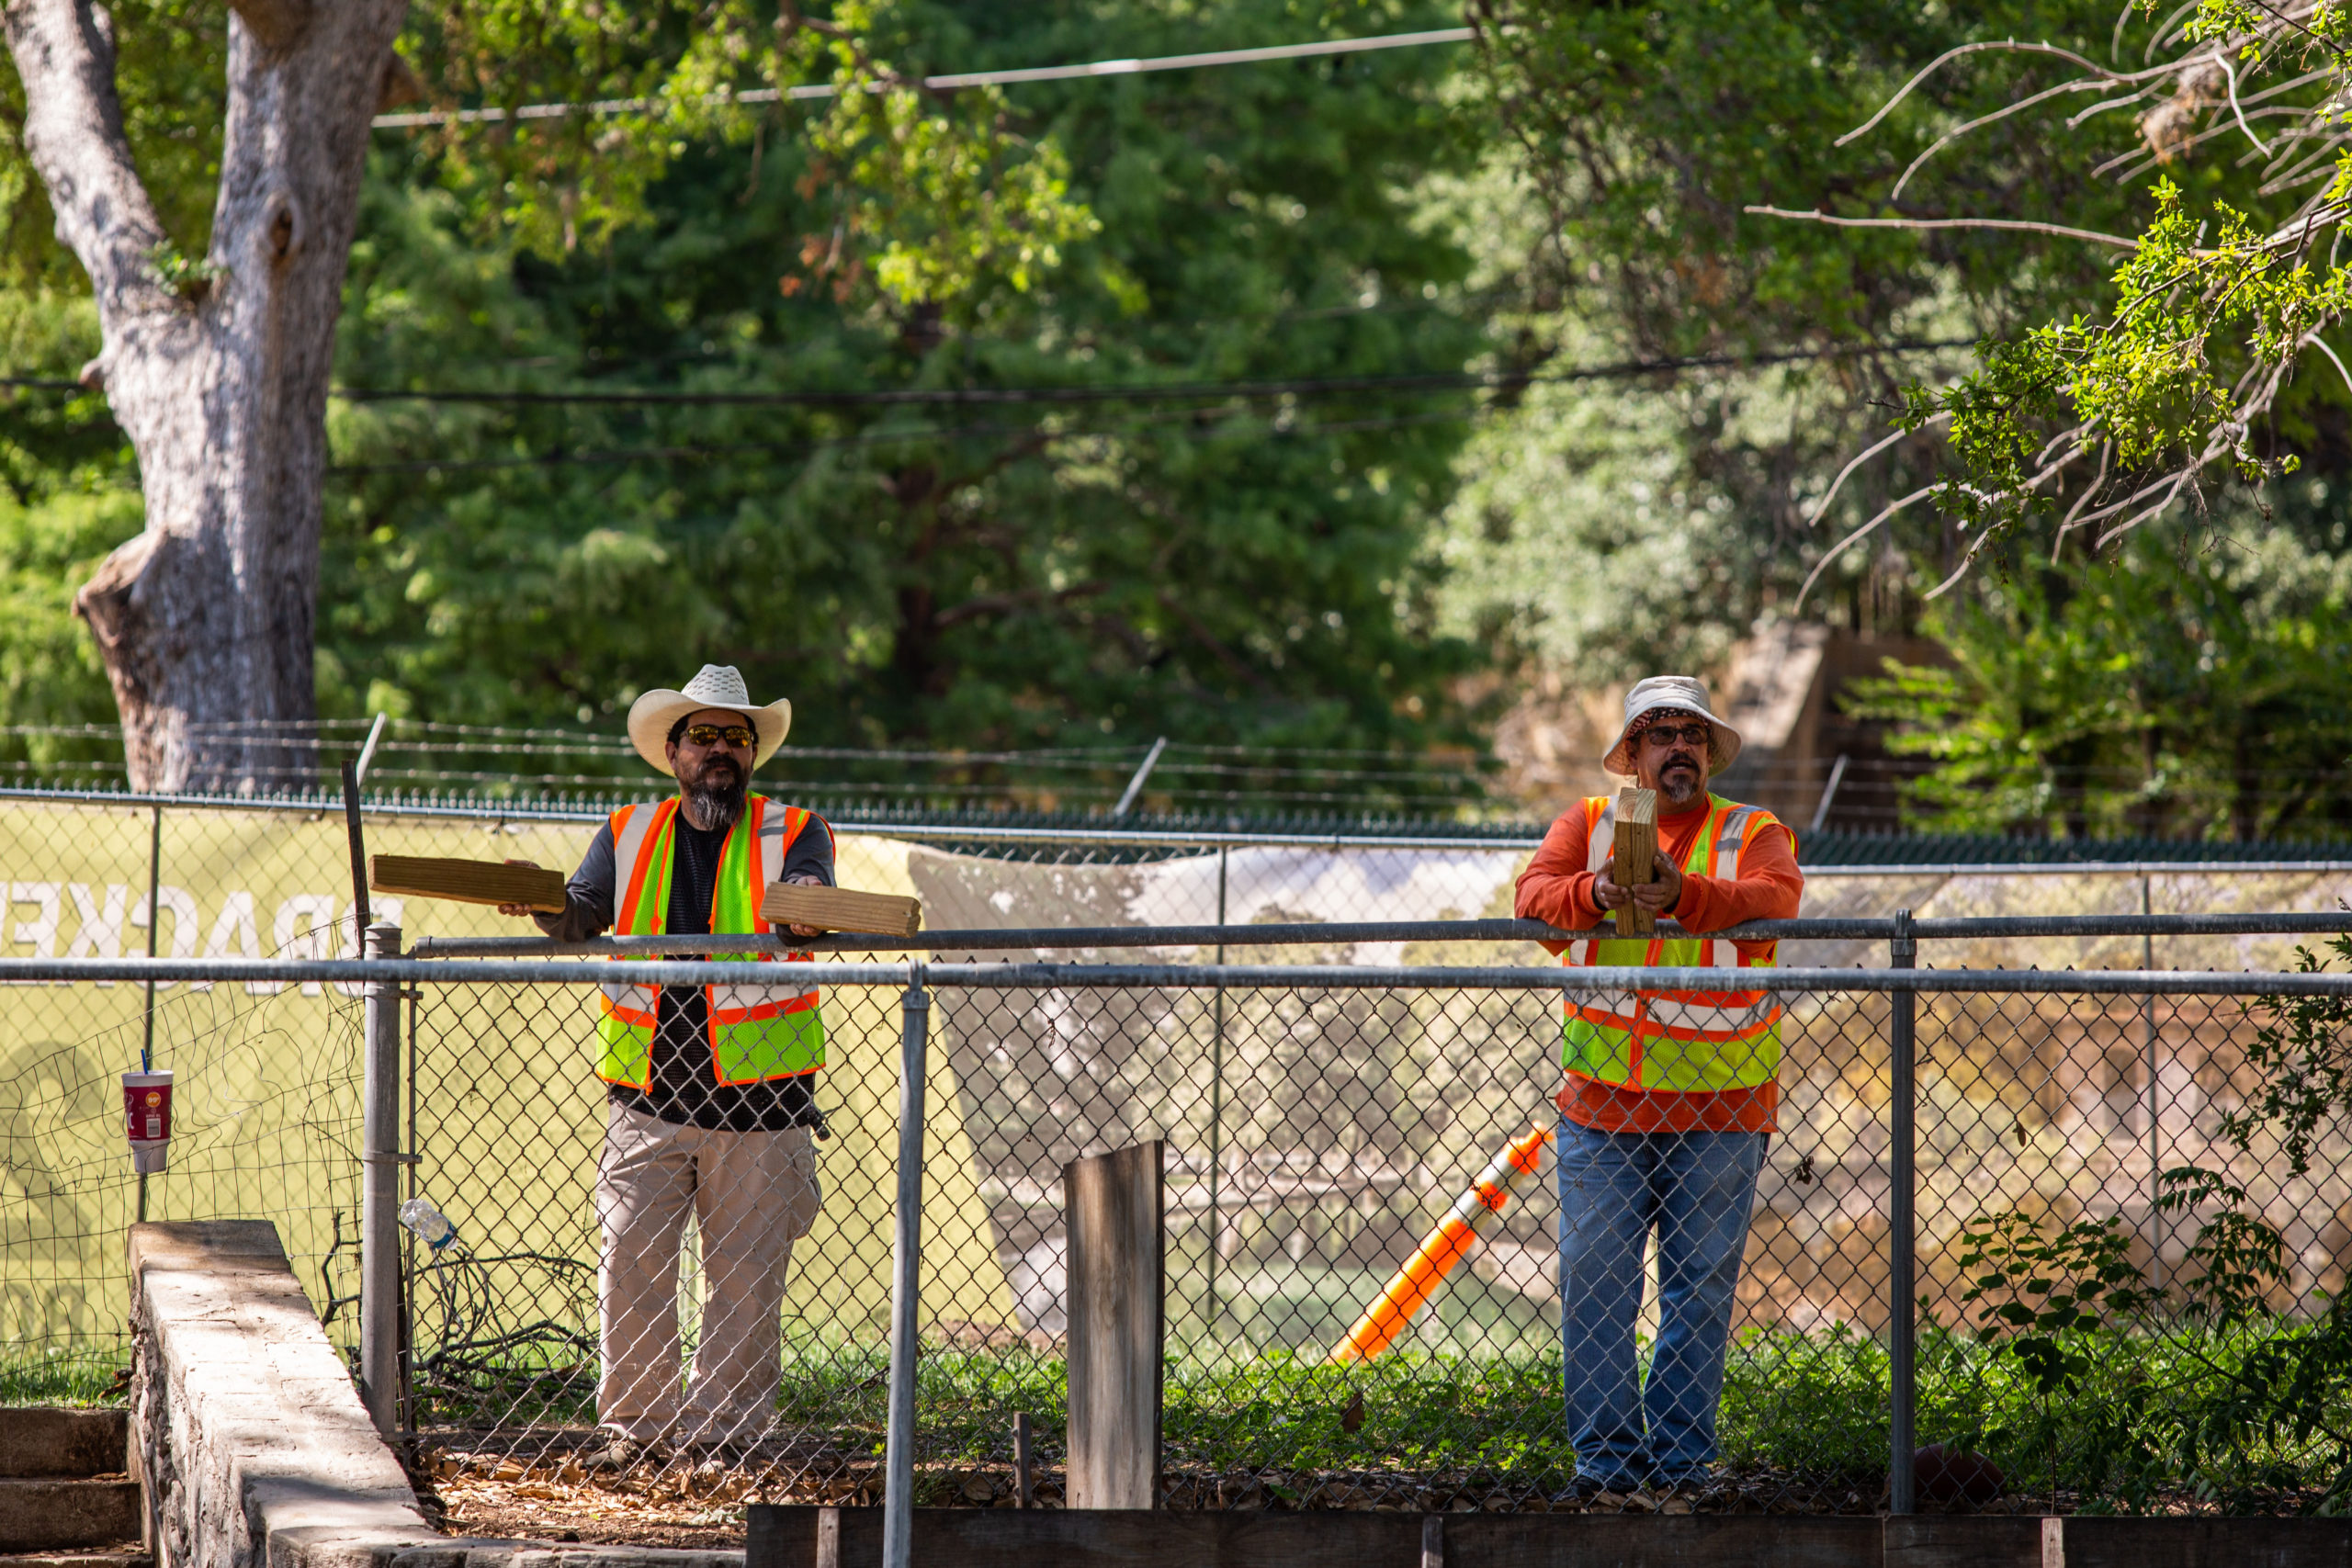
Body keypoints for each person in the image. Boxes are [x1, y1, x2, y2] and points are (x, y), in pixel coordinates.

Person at [501, 664, 833, 1469]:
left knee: (745, 1284)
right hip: (647, 1098)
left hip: (763, 1104)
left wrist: (807, 912)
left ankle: (726, 1435)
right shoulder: (627, 831)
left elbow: (810, 901)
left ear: (751, 752)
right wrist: (543, 903)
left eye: (735, 737)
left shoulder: (795, 831)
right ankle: (637, 1432)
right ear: (673, 749)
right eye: (705, 736)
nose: (720, 749)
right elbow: (579, 914)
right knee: (630, 1260)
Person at [1512, 674, 1804, 1495]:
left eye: (1692, 733)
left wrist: (1687, 895)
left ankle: (1679, 1467)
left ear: (1708, 751)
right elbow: (1531, 899)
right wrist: (1592, 893)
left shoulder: (1755, 830)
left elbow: (1774, 899)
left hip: (1721, 1106)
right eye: (1661, 732)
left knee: (1698, 1292)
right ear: (1633, 754)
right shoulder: (1592, 825)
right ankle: (1607, 1469)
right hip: (1603, 1105)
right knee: (1595, 1284)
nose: (1679, 746)